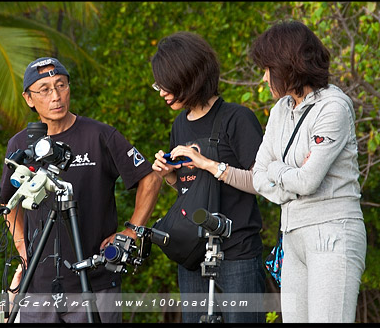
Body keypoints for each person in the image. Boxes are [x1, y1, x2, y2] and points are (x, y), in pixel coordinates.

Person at [0, 57, 162, 323]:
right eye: (45, 89)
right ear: (29, 99)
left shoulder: (99, 135)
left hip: (96, 283)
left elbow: (150, 178)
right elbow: (8, 202)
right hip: (37, 288)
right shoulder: (20, 144)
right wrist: (21, 245)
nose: (56, 96)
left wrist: (132, 230)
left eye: (61, 85)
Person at [250, 21, 367, 323]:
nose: (264, 78)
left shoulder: (334, 107)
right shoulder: (279, 110)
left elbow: (309, 180)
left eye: (268, 68)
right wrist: (286, 176)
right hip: (292, 236)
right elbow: (258, 175)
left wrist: (278, 169)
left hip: (332, 232)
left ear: (289, 64)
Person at [151, 31, 266, 323]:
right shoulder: (179, 124)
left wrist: (207, 163)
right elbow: (188, 191)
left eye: (166, 84)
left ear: (188, 76)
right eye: (159, 84)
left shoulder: (237, 118)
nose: (161, 91)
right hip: (193, 254)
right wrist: (170, 177)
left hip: (237, 252)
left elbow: (263, 183)